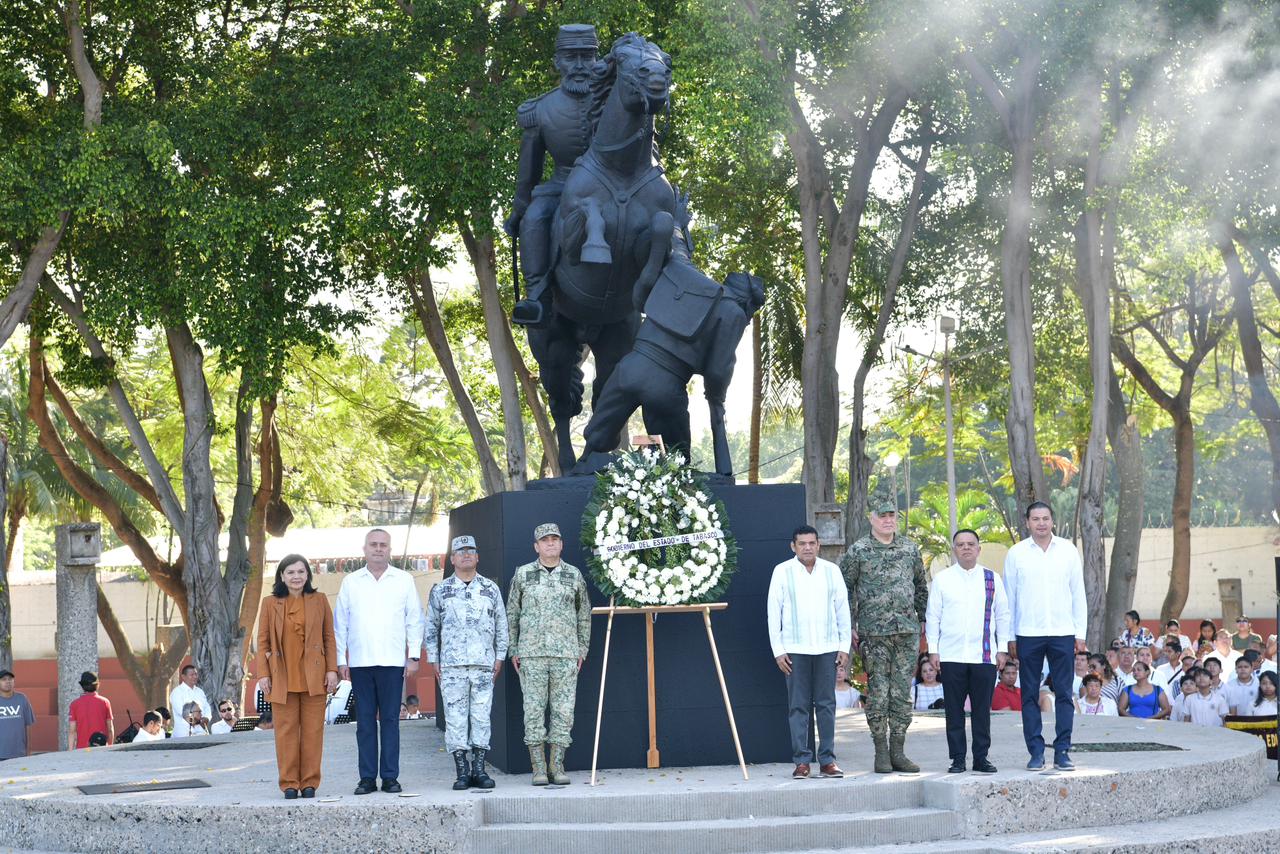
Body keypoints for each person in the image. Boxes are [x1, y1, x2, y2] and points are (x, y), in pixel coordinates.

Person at [503, 24, 600, 326]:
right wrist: (520, 209)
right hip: (560, 186)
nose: (580, 65)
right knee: (535, 218)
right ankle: (537, 297)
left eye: (587, 56)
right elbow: (528, 170)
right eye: (571, 57)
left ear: (597, 59)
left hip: (609, 187)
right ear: (558, 61)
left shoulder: (614, 102)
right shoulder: (539, 110)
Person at [840, 495, 928, 774]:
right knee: (878, 693)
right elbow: (844, 591)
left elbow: (920, 585)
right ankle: (880, 751)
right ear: (872, 518)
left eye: (892, 515)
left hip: (906, 631)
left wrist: (922, 619)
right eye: (883, 515)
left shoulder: (909, 549)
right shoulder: (858, 551)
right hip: (874, 633)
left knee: (901, 693)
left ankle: (898, 751)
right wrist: (849, 625)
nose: (888, 520)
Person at [334, 529, 424, 796]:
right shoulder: (351, 582)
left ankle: (390, 777)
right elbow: (340, 624)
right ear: (364, 549)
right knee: (364, 722)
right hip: (360, 663)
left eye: (383, 545)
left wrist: (414, 655)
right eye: (373, 544)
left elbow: (415, 619)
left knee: (390, 721)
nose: (378, 548)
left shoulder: (404, 580)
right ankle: (366, 778)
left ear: (390, 549)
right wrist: (341, 660)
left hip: (392, 662)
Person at [1004, 501, 1087, 772]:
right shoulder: (1016, 553)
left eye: (1045, 518)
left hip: (1063, 632)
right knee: (1029, 695)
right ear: (1027, 522)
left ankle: (1062, 751)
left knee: (1064, 693)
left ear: (1053, 521)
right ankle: (1036, 752)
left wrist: (1080, 633)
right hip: (1028, 633)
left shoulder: (1068, 550)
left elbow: (1078, 593)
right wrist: (1009, 637)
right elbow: (1010, 598)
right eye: (1036, 519)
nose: (1041, 523)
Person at [507, 522, 591, 786]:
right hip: (531, 654)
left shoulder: (573, 575)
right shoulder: (523, 574)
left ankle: (557, 766)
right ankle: (538, 768)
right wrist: (513, 649)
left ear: (561, 544)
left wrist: (582, 648)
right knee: (533, 711)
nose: (550, 543)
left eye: (555, 539)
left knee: (564, 712)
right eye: (545, 540)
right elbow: (512, 614)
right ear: (536, 546)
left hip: (565, 654)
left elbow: (584, 614)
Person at [425, 534, 509, 791]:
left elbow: (501, 625)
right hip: (452, 667)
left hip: (483, 665)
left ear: (477, 557)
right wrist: (433, 659)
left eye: (470, 550)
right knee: (455, 719)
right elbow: (431, 627)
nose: (466, 555)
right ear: (452, 559)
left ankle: (479, 770)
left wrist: (500, 656)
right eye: (460, 552)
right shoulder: (441, 590)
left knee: (482, 717)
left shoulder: (490, 588)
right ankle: (462, 772)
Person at [767, 525, 851, 779]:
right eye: (802, 543)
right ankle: (802, 762)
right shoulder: (782, 571)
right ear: (793, 546)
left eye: (812, 543)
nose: (807, 547)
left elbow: (842, 610)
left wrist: (844, 646)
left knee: (826, 705)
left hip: (827, 648)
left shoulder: (831, 571)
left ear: (818, 545)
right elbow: (773, 613)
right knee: (798, 706)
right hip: (795, 649)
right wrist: (778, 650)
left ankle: (827, 761)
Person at [924, 528, 1009, 774]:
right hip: (951, 655)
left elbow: (1002, 615)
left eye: (971, 544)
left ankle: (981, 758)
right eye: (960, 544)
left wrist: (1002, 648)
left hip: (984, 655)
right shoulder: (943, 579)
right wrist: (933, 650)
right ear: (954, 550)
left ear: (978, 549)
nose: (966, 548)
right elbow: (933, 616)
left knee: (982, 711)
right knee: (954, 710)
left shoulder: (991, 578)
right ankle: (958, 758)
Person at [258, 554, 339, 799]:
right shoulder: (270, 603)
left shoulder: (319, 600)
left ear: (308, 575)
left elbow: (329, 637)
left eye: (301, 571)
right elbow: (262, 642)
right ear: (282, 576)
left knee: (313, 732)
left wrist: (332, 670)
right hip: (282, 676)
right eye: (291, 572)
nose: (296, 576)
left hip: (315, 676)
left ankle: (310, 782)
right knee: (285, 733)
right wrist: (263, 673)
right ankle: (289, 783)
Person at [67, 671, 113, 750]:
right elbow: (110, 729)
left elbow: (72, 731)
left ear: (82, 686)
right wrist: (110, 747)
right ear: (98, 685)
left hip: (81, 749)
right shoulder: (105, 702)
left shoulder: (74, 704)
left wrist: (70, 751)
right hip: (101, 748)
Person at [0, 669, 36, 760]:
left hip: (19, 753)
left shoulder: (22, 698)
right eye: (4, 679)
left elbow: (28, 725)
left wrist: (29, 750)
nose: (8, 681)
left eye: (10, 679)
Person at [169, 665, 211, 738]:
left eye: (196, 674)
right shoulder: (177, 692)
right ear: (183, 677)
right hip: (183, 734)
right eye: (191, 675)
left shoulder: (200, 691)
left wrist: (207, 718)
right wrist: (199, 719)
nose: (195, 677)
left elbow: (207, 707)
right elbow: (182, 711)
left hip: (201, 732)